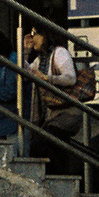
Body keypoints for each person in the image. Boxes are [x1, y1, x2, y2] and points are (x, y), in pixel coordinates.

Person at [25, 23, 87, 157]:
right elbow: (26, 72)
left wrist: (47, 78)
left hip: (66, 115)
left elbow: (70, 78)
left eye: (34, 34)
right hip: (52, 116)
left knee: (40, 145)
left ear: (44, 36)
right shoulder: (41, 59)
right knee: (52, 149)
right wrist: (25, 50)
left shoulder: (59, 53)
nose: (32, 38)